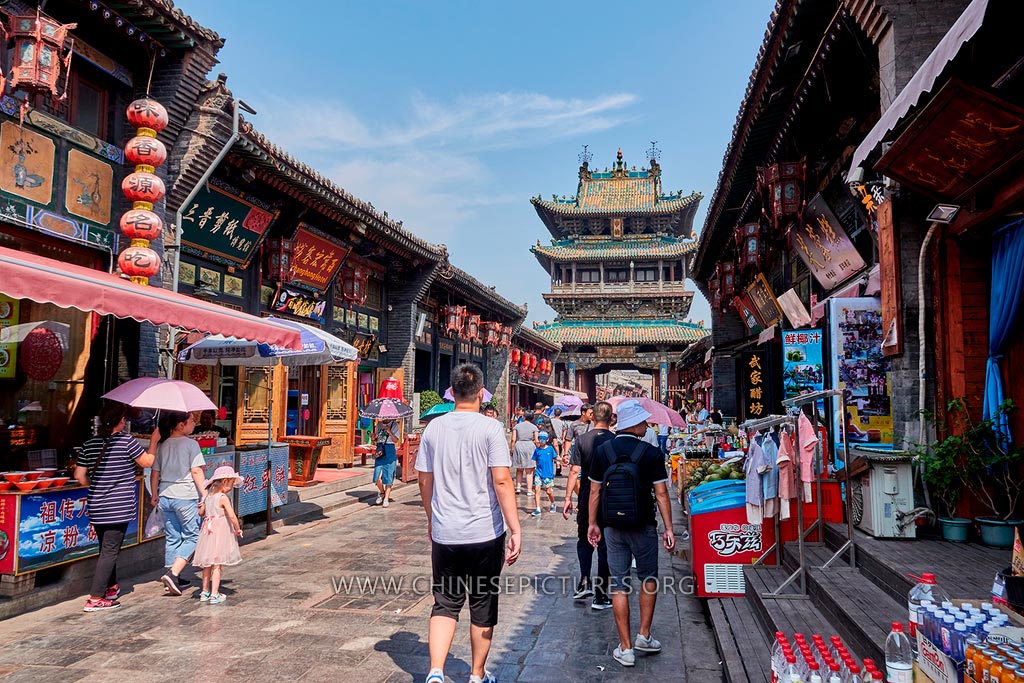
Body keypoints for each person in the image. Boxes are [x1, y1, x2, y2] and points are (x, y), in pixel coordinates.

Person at [417, 363, 521, 683]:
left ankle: (436, 671)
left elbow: (424, 479)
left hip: (446, 531)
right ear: (480, 394)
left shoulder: (433, 428)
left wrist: (431, 518)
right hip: (484, 533)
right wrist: (515, 528)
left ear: (452, 392)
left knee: (445, 603)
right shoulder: (491, 429)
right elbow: (502, 481)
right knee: (482, 603)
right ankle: (477, 674)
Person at [588, 399, 676, 668]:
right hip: (644, 525)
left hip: (613, 526)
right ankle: (644, 636)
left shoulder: (603, 451)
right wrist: (669, 527)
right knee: (648, 578)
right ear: (635, 424)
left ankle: (625, 649)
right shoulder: (650, 453)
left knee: (619, 584)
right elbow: (661, 494)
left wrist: (593, 523)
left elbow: (595, 491)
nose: (647, 424)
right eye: (644, 421)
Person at [74, 401, 159, 612]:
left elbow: (79, 476)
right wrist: (155, 441)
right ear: (121, 421)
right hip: (118, 506)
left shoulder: (90, 443)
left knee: (105, 548)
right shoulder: (125, 441)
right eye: (124, 419)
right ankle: (95, 598)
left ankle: (111, 587)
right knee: (110, 550)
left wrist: (95, 487)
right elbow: (147, 462)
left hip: (97, 505)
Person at [563, 400, 614, 610]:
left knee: (584, 539)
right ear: (611, 419)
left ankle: (584, 581)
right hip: (609, 499)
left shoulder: (582, 440)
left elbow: (575, 471)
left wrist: (567, 497)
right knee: (605, 545)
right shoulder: (615, 440)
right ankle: (601, 594)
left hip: (585, 496)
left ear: (592, 416)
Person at [151, 410, 207, 596]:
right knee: (193, 536)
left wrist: (154, 493)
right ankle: (174, 573)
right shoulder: (191, 444)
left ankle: (172, 574)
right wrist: (205, 493)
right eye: (191, 421)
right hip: (185, 496)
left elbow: (155, 472)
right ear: (181, 425)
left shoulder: (162, 445)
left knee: (173, 536)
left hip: (165, 495)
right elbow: (196, 471)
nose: (194, 424)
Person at [193, 466, 243, 604]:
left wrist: (202, 506)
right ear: (225, 481)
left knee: (207, 563)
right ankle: (214, 594)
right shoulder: (222, 498)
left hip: (207, 532)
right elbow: (232, 516)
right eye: (231, 484)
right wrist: (237, 529)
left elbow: (201, 513)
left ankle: (204, 592)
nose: (232, 487)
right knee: (217, 564)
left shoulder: (209, 496)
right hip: (220, 532)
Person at [373, 418, 401, 507]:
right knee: (377, 476)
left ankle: (386, 498)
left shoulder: (395, 425)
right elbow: (376, 439)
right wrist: (373, 438)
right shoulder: (379, 424)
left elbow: (396, 440)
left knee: (389, 474)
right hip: (380, 449)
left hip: (389, 450)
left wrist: (389, 431)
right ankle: (382, 492)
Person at [510, 411, 539, 495]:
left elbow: (513, 439)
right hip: (530, 446)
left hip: (519, 445)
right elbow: (537, 440)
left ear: (524, 417)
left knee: (519, 469)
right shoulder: (534, 427)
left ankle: (518, 487)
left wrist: (512, 448)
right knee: (529, 470)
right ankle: (529, 490)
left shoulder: (517, 426)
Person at [531, 432, 558, 516]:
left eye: (543, 439)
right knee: (537, 490)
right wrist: (535, 470)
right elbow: (536, 461)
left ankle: (553, 503)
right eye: (540, 439)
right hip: (539, 473)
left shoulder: (550, 449)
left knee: (549, 491)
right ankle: (538, 509)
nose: (541, 440)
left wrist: (564, 461)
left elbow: (556, 457)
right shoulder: (537, 450)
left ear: (547, 440)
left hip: (548, 474)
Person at [549, 408, 566, 475]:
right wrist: (563, 439)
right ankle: (558, 470)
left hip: (551, 441)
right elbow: (564, 431)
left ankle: (550, 470)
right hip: (559, 441)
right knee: (558, 455)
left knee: (550, 456)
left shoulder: (550, 421)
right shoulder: (562, 422)